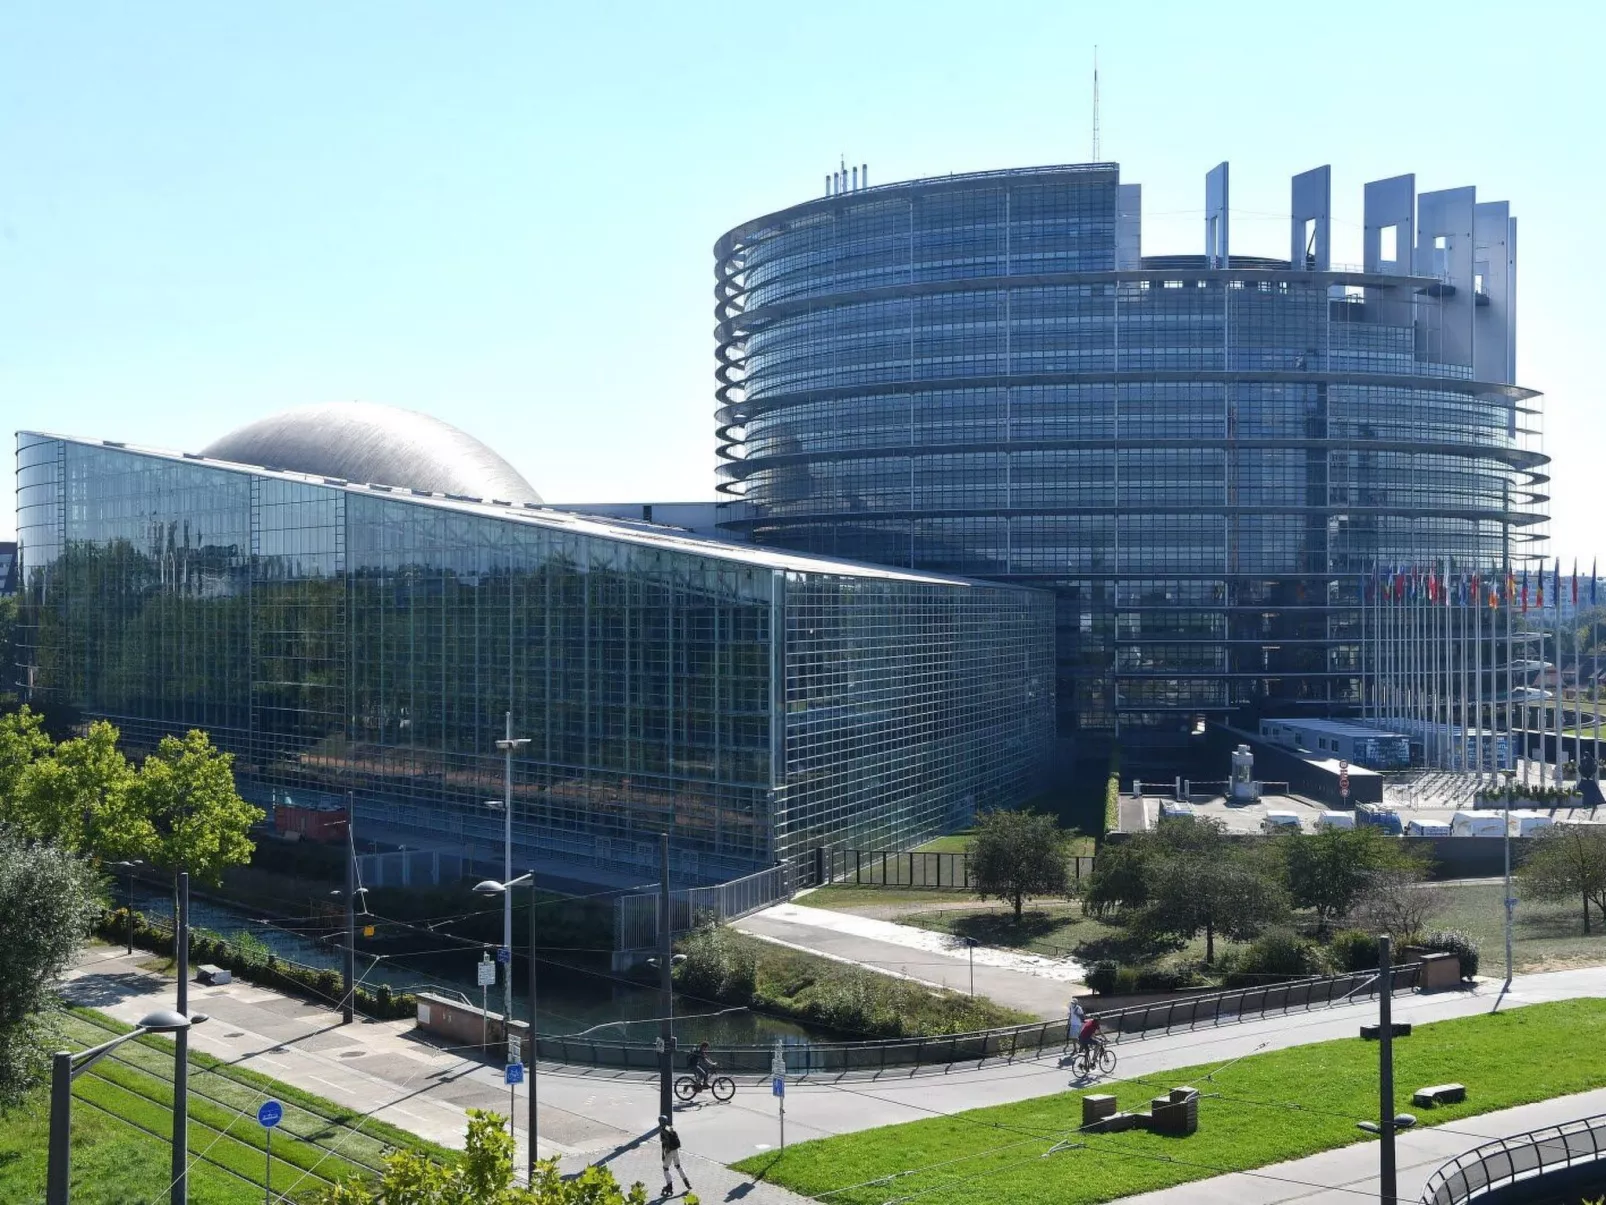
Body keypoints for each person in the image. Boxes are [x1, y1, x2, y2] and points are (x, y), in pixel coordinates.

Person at [659, 1115, 691, 1197]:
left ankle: (669, 1185)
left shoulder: (663, 1130)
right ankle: (686, 1181)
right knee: (678, 1166)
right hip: (675, 1150)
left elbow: (664, 1143)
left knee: (665, 1168)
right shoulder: (670, 1128)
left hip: (669, 1152)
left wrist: (663, 1154)